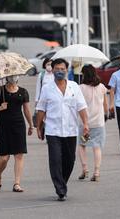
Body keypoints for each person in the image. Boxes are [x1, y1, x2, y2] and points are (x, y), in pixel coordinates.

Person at [36, 58, 89, 201]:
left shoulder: (74, 87)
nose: (60, 71)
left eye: (62, 69)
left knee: (69, 160)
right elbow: (41, 109)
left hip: (71, 130)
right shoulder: (47, 88)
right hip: (53, 131)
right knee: (55, 160)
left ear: (67, 70)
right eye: (57, 69)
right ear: (52, 70)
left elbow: (81, 107)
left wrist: (85, 124)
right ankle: (60, 189)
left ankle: (62, 182)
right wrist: (38, 126)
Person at [0, 75, 34, 193]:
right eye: (11, 76)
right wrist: (0, 107)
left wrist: (31, 124)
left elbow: (26, 110)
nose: (14, 77)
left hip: (18, 124)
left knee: (19, 155)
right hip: (3, 125)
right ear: (6, 77)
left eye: (15, 75)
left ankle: (17, 183)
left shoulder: (23, 91)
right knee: (4, 157)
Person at [77, 65, 109, 182]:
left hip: (85, 124)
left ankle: (85, 169)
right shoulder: (101, 87)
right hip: (98, 123)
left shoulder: (80, 88)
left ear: (84, 74)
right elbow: (105, 105)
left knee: (82, 145)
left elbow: (78, 105)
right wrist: (106, 115)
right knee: (97, 147)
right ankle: (97, 171)